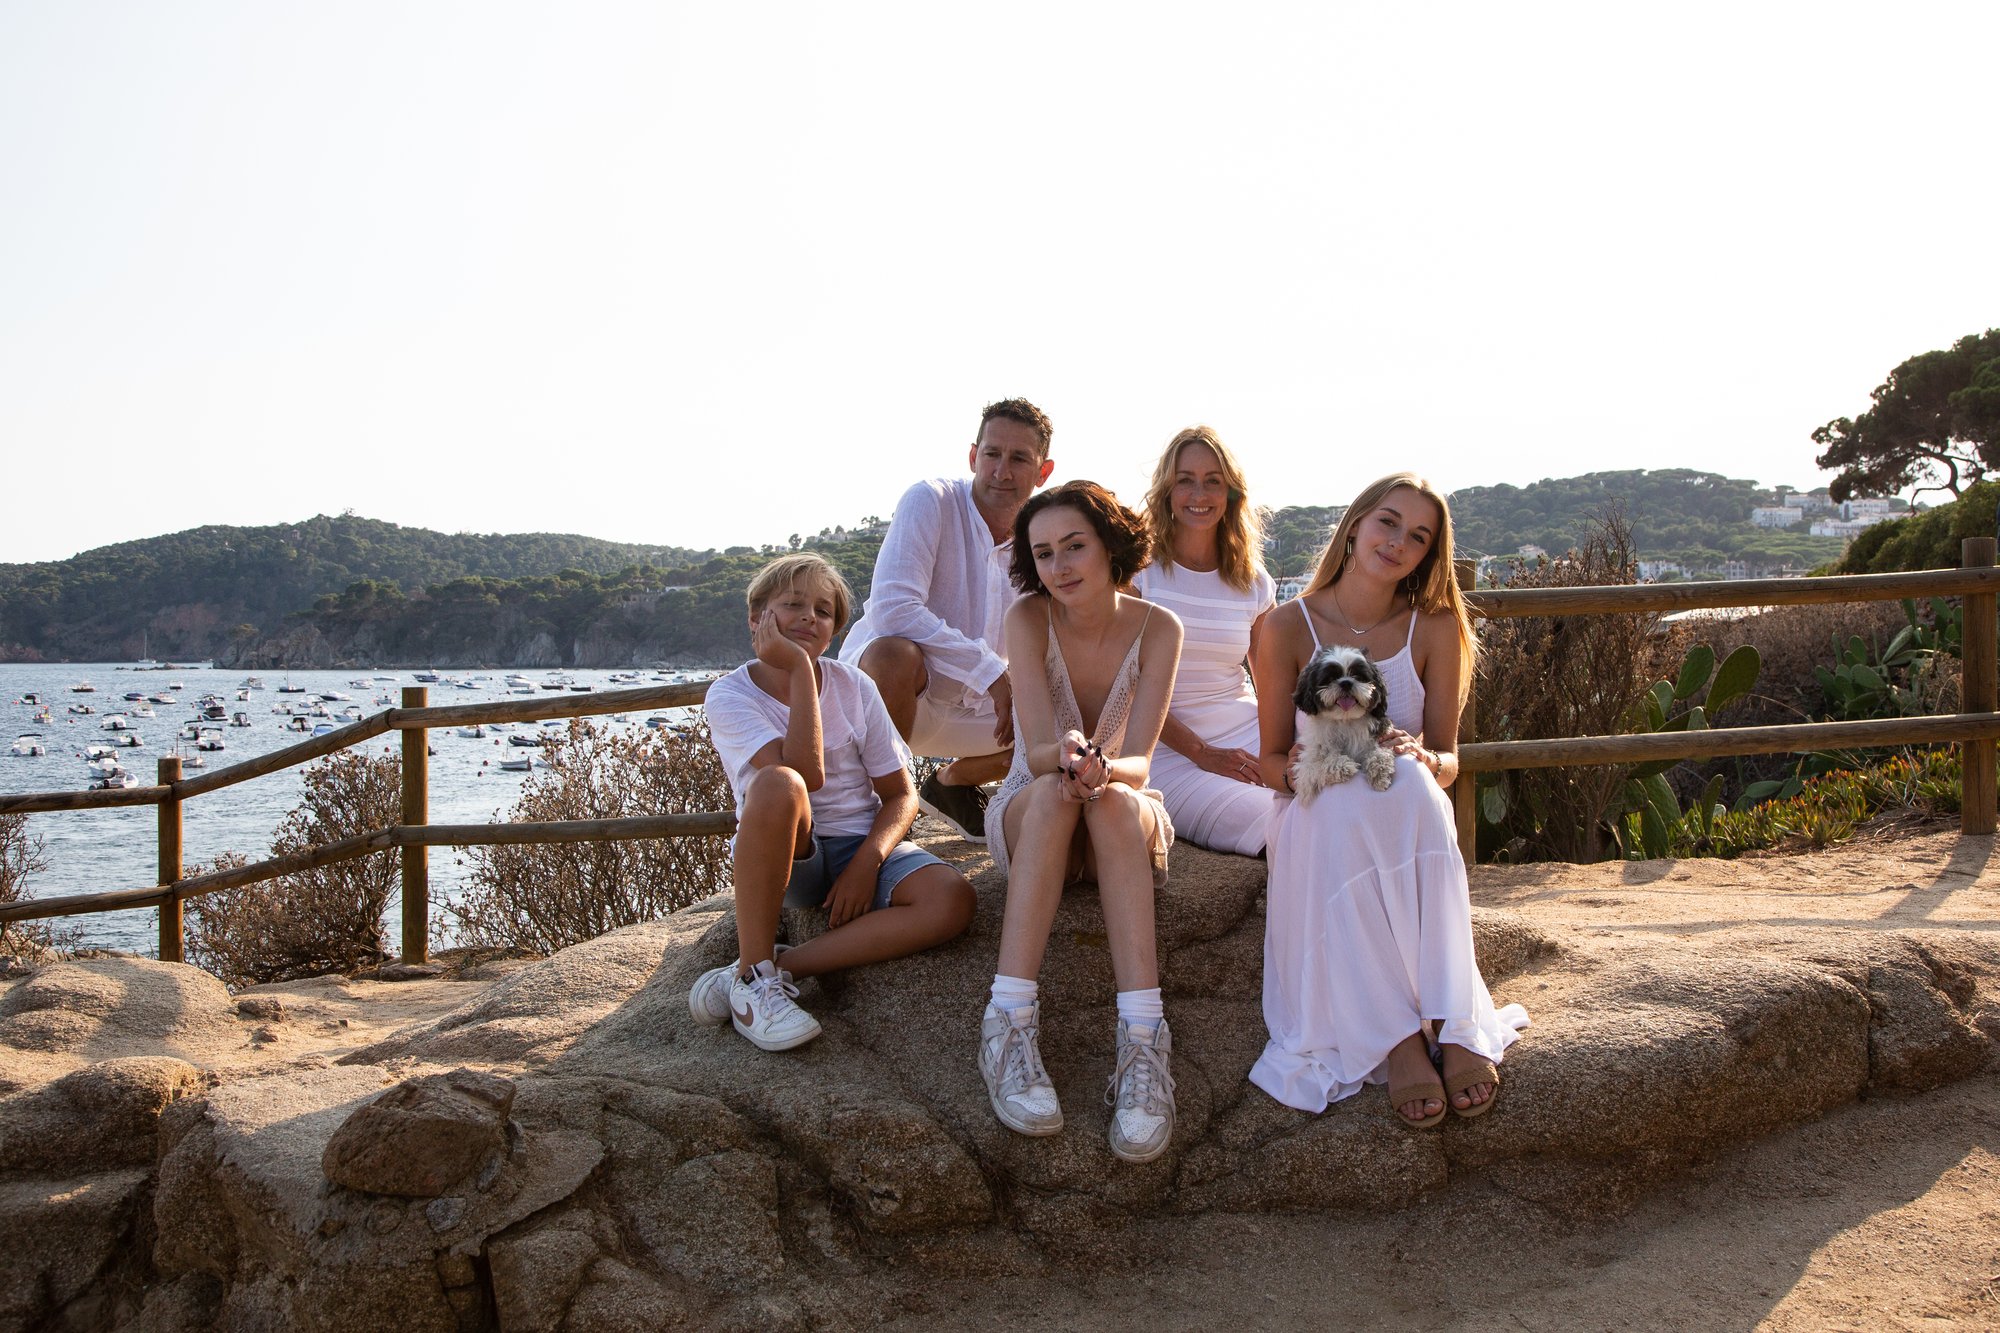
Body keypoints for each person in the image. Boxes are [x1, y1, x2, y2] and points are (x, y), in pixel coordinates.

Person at [1248, 473, 1528, 1125]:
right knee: (1344, 797)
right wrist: (1298, 771)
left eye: (1419, 536)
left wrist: (1430, 758)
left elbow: (1452, 760)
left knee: (1417, 787)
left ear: (1430, 554)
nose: (1399, 542)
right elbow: (1266, 760)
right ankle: (1397, 1037)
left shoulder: (1433, 626)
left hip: (1401, 792)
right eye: (1388, 522)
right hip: (1314, 806)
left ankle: (1451, 1017)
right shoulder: (1287, 625)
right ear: (1355, 524)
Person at [692, 554, 977, 1051]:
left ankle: (764, 970)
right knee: (780, 782)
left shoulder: (853, 685)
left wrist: (868, 861)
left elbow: (901, 793)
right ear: (757, 619)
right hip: (790, 856)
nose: (809, 617)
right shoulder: (730, 694)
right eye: (793, 605)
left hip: (857, 842)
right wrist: (802, 671)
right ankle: (756, 985)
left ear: (834, 632)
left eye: (823, 611)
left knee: (953, 899)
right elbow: (806, 774)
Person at [977, 481, 1185, 1162]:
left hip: (1118, 804)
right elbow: (1038, 753)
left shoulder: (1161, 628)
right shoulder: (1028, 619)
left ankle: (1144, 1049)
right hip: (1036, 805)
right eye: (1043, 553)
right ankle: (1006, 1026)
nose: (1060, 565)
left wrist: (1102, 768)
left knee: (1116, 799)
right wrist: (1069, 756)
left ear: (1109, 545)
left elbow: (1142, 762)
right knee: (1058, 793)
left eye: (1075, 545)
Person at [842, 399, 1056, 846]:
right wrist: (991, 670)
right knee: (893, 651)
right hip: (895, 699)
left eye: (1019, 458)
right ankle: (873, 826)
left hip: (979, 715)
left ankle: (952, 782)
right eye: (993, 454)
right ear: (974, 456)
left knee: (1073, 717)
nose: (1002, 470)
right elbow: (893, 610)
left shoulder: (1046, 535)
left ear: (1044, 472)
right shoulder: (931, 500)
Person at [1132, 426, 1280, 856]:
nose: (1200, 493)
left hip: (1247, 733)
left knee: (1347, 798)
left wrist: (1285, 747)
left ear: (1231, 493)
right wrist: (1202, 752)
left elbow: (1271, 679)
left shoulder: (1253, 581)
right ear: (1167, 491)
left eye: (1213, 480)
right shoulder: (1140, 574)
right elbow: (1126, 686)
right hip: (1164, 755)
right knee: (1280, 822)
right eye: (1186, 480)